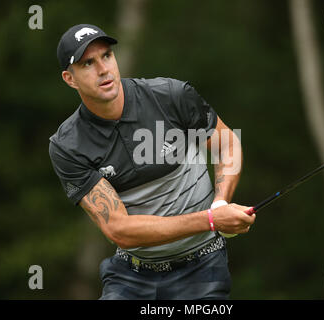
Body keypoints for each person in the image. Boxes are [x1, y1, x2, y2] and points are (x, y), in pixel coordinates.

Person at [49, 23, 256, 300]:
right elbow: (120, 230)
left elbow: (227, 144)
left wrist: (220, 201)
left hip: (202, 267)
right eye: (88, 63)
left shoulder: (171, 96)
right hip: (131, 276)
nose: (103, 69)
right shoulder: (67, 145)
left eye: (107, 56)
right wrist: (210, 220)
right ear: (69, 79)